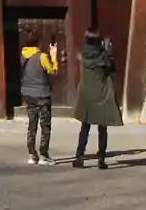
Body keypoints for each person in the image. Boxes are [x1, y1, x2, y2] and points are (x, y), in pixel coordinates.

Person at [70, 29, 122, 168]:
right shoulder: (103, 56)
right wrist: (109, 50)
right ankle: (101, 159)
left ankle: (79, 157)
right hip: (101, 93)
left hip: (86, 92)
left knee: (85, 127)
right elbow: (112, 68)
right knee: (102, 128)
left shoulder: (83, 54)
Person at [17, 35, 61, 164]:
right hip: (42, 94)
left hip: (28, 94)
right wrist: (53, 56)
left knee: (32, 124)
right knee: (45, 125)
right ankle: (44, 154)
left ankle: (32, 154)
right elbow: (53, 70)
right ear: (38, 43)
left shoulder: (23, 56)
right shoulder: (42, 57)